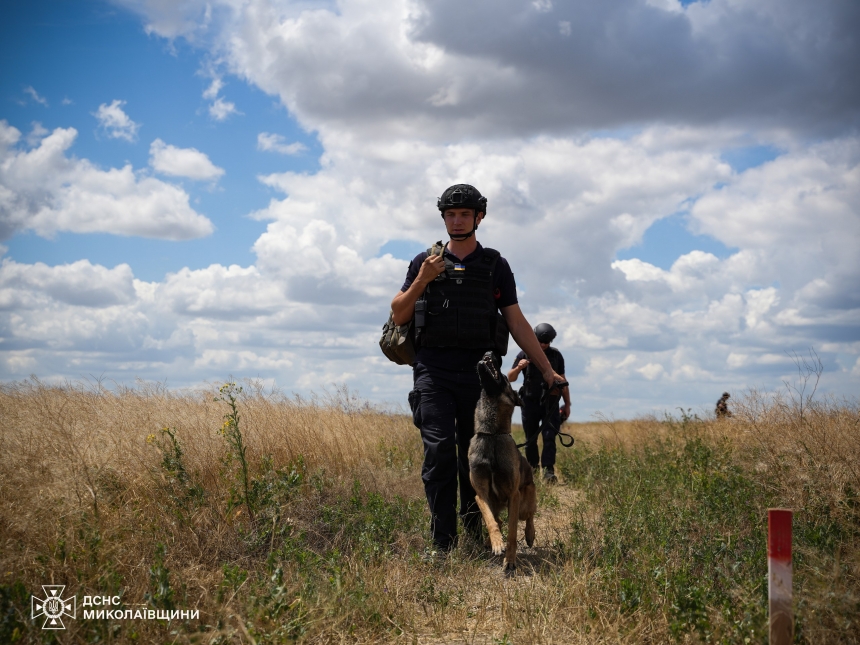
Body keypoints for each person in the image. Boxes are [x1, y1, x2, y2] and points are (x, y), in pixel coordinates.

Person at [391, 184, 566, 555]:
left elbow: (517, 322)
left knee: (474, 458)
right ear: (443, 218)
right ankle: (442, 543)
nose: (457, 221)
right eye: (450, 215)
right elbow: (399, 313)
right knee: (438, 451)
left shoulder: (495, 266)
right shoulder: (425, 261)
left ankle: (476, 534)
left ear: (479, 218)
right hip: (433, 372)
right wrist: (423, 277)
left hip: (480, 377)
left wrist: (548, 371)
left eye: (465, 214)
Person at [507, 323, 570, 484]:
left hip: (550, 404)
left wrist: (567, 404)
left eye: (546, 342)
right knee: (530, 439)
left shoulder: (556, 356)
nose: (543, 345)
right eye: (541, 341)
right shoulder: (524, 353)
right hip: (529, 403)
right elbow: (510, 377)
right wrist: (518, 367)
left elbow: (563, 382)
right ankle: (532, 470)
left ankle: (549, 471)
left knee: (549, 437)